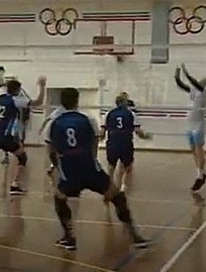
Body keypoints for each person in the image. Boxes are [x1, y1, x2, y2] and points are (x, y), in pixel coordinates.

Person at [47, 88, 150, 250]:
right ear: (77, 101)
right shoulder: (88, 120)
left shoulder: (54, 123)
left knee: (59, 198)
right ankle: (135, 236)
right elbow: (94, 145)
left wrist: (58, 168)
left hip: (69, 170)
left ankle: (69, 237)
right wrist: (91, 161)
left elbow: (51, 150)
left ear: (61, 102)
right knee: (117, 197)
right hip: (90, 169)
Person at [101, 94, 151, 192]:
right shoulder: (131, 114)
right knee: (127, 166)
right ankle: (123, 187)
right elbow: (137, 131)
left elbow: (102, 132)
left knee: (111, 166)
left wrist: (100, 138)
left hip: (113, 143)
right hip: (126, 143)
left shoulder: (108, 114)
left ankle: (110, 186)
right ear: (125, 102)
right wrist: (145, 136)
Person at [174, 64, 206, 192]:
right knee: (193, 149)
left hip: (199, 124)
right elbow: (182, 85)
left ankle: (201, 173)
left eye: (203, 81)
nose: (201, 81)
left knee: (199, 148)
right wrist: (177, 75)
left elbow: (194, 82)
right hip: (191, 123)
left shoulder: (205, 91)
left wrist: (187, 73)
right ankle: (200, 172)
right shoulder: (195, 91)